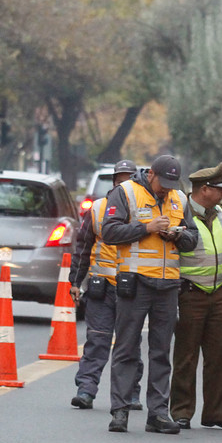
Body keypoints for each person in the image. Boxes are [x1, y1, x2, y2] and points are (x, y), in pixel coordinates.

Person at [101, 154, 198, 433]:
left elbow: (193, 239)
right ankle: (119, 410)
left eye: (171, 183)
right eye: (162, 182)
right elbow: (109, 232)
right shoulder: (126, 193)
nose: (165, 189)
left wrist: (178, 235)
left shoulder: (179, 198)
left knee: (161, 352)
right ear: (151, 174)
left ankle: (157, 413)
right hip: (136, 283)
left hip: (167, 286)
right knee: (126, 348)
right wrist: (146, 228)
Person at [170, 162, 222, 431]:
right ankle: (181, 411)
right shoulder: (179, 214)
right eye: (219, 189)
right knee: (186, 357)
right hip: (188, 293)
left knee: (218, 357)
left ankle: (216, 413)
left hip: (216, 296)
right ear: (204, 190)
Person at [68, 160, 144, 410]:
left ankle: (131, 393)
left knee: (129, 343)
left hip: (133, 289)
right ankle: (86, 390)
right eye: (119, 179)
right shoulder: (99, 209)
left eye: (128, 179)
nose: (123, 183)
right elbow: (83, 247)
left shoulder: (144, 210)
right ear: (113, 182)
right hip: (101, 288)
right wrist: (76, 282)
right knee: (97, 339)